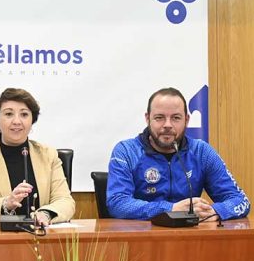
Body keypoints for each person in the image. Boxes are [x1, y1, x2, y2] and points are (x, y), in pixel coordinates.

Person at [107, 87, 250, 220]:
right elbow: (117, 203)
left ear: (186, 120)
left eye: (176, 118)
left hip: (190, 235)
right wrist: (171, 209)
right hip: (142, 236)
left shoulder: (201, 152)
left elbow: (240, 200)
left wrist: (216, 211)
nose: (167, 125)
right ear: (147, 118)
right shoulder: (126, 151)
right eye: (159, 117)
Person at [0, 88, 75, 226]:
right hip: (0, 237)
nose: (17, 121)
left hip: (43, 234)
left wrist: (46, 214)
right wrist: (6, 204)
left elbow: (65, 201)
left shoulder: (48, 155)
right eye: (9, 114)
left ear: (32, 121)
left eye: (24, 114)